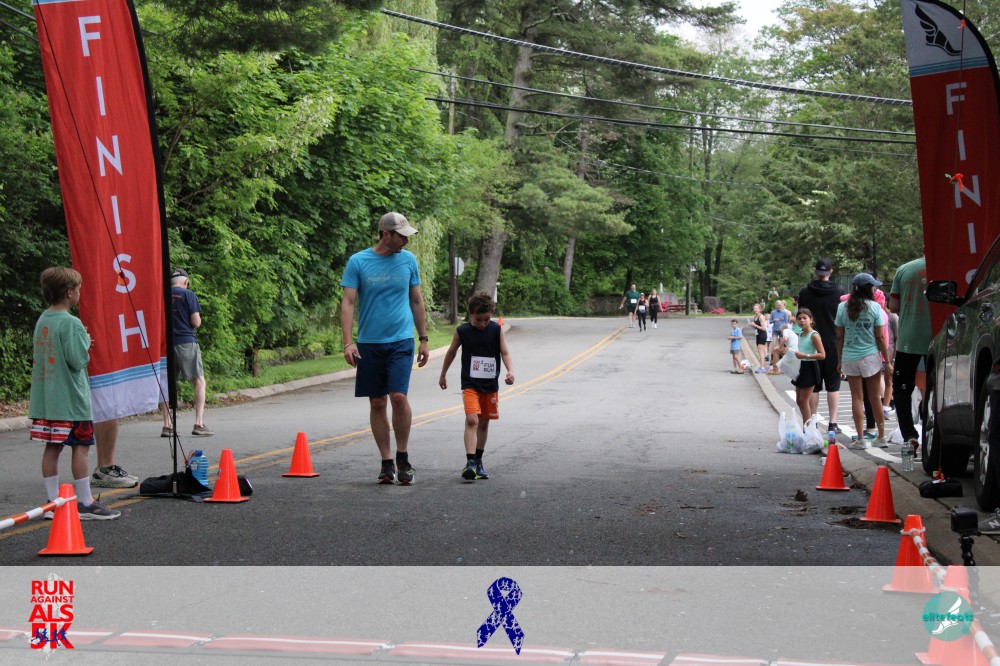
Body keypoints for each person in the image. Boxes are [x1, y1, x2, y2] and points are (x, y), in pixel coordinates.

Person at [341, 212, 429, 485]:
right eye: (402, 236)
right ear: (386, 234)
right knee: (378, 402)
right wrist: (348, 342)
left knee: (398, 396)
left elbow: (416, 300)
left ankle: (403, 457)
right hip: (370, 343)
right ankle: (386, 461)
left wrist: (423, 338)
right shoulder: (358, 261)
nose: (406, 241)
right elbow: (348, 302)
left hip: (401, 341)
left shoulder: (408, 260)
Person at [29, 267, 120, 519]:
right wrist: (86, 343)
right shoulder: (72, 323)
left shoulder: (43, 319)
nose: (80, 292)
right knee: (81, 448)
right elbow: (78, 360)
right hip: (72, 401)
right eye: (78, 289)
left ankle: (52, 503)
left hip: (48, 400)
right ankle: (85, 502)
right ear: (69, 292)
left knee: (52, 448)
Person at [438, 292, 515, 481]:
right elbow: (451, 352)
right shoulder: (462, 331)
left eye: (486, 319)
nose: (482, 324)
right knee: (472, 420)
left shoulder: (495, 330)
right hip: (470, 384)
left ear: (491, 314)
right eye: (479, 319)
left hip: (490, 384)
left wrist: (510, 371)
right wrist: (443, 374)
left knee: (484, 422)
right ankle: (470, 462)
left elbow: (504, 352)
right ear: (471, 313)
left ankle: (479, 461)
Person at [836, 273, 891, 449]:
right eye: (873, 286)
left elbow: (839, 337)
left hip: (849, 356)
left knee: (857, 398)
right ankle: (881, 436)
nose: (875, 289)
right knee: (875, 397)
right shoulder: (875, 308)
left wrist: (839, 360)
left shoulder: (842, 307)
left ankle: (860, 439)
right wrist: (887, 361)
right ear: (868, 289)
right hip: (870, 356)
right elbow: (880, 337)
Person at [160, 268, 213, 437]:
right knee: (199, 381)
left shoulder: (162, 296)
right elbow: (196, 322)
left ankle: (167, 425)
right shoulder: (189, 295)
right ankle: (198, 423)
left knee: (167, 384)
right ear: (186, 282)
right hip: (186, 342)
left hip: (166, 344)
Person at [888, 256, 932, 457]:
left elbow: (894, 306)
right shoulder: (948, 266)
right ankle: (934, 434)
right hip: (939, 338)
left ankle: (910, 436)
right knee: (935, 389)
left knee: (902, 389)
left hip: (909, 339)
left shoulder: (905, 269)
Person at [798, 258, 846, 433]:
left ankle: (814, 422)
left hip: (811, 342)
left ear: (815, 270)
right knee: (834, 385)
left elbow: (800, 315)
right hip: (833, 342)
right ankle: (833, 423)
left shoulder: (805, 292)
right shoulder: (839, 291)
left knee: (814, 385)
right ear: (830, 271)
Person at [792, 308, 825, 425]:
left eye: (804, 318)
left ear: (811, 320)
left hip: (810, 367)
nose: (802, 321)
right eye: (799, 319)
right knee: (799, 401)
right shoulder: (800, 335)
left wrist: (806, 355)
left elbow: (822, 355)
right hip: (800, 367)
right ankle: (808, 426)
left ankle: (808, 429)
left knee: (804, 401)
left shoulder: (814, 335)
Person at [749, 303, 768, 370]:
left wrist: (755, 325)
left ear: (760, 309)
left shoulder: (761, 317)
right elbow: (756, 327)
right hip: (758, 334)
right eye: (754, 308)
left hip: (762, 335)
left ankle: (762, 367)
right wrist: (752, 325)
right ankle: (761, 366)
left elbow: (763, 328)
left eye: (757, 308)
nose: (755, 310)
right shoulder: (755, 317)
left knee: (761, 351)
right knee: (759, 351)